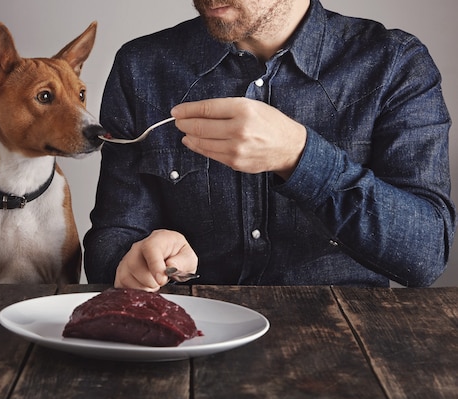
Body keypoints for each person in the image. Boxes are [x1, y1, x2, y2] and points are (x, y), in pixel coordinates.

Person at [83, 0, 456, 291]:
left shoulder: (395, 64)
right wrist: (131, 261)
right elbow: (112, 237)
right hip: (193, 335)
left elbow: (425, 256)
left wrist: (300, 157)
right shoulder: (141, 67)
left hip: (345, 337)